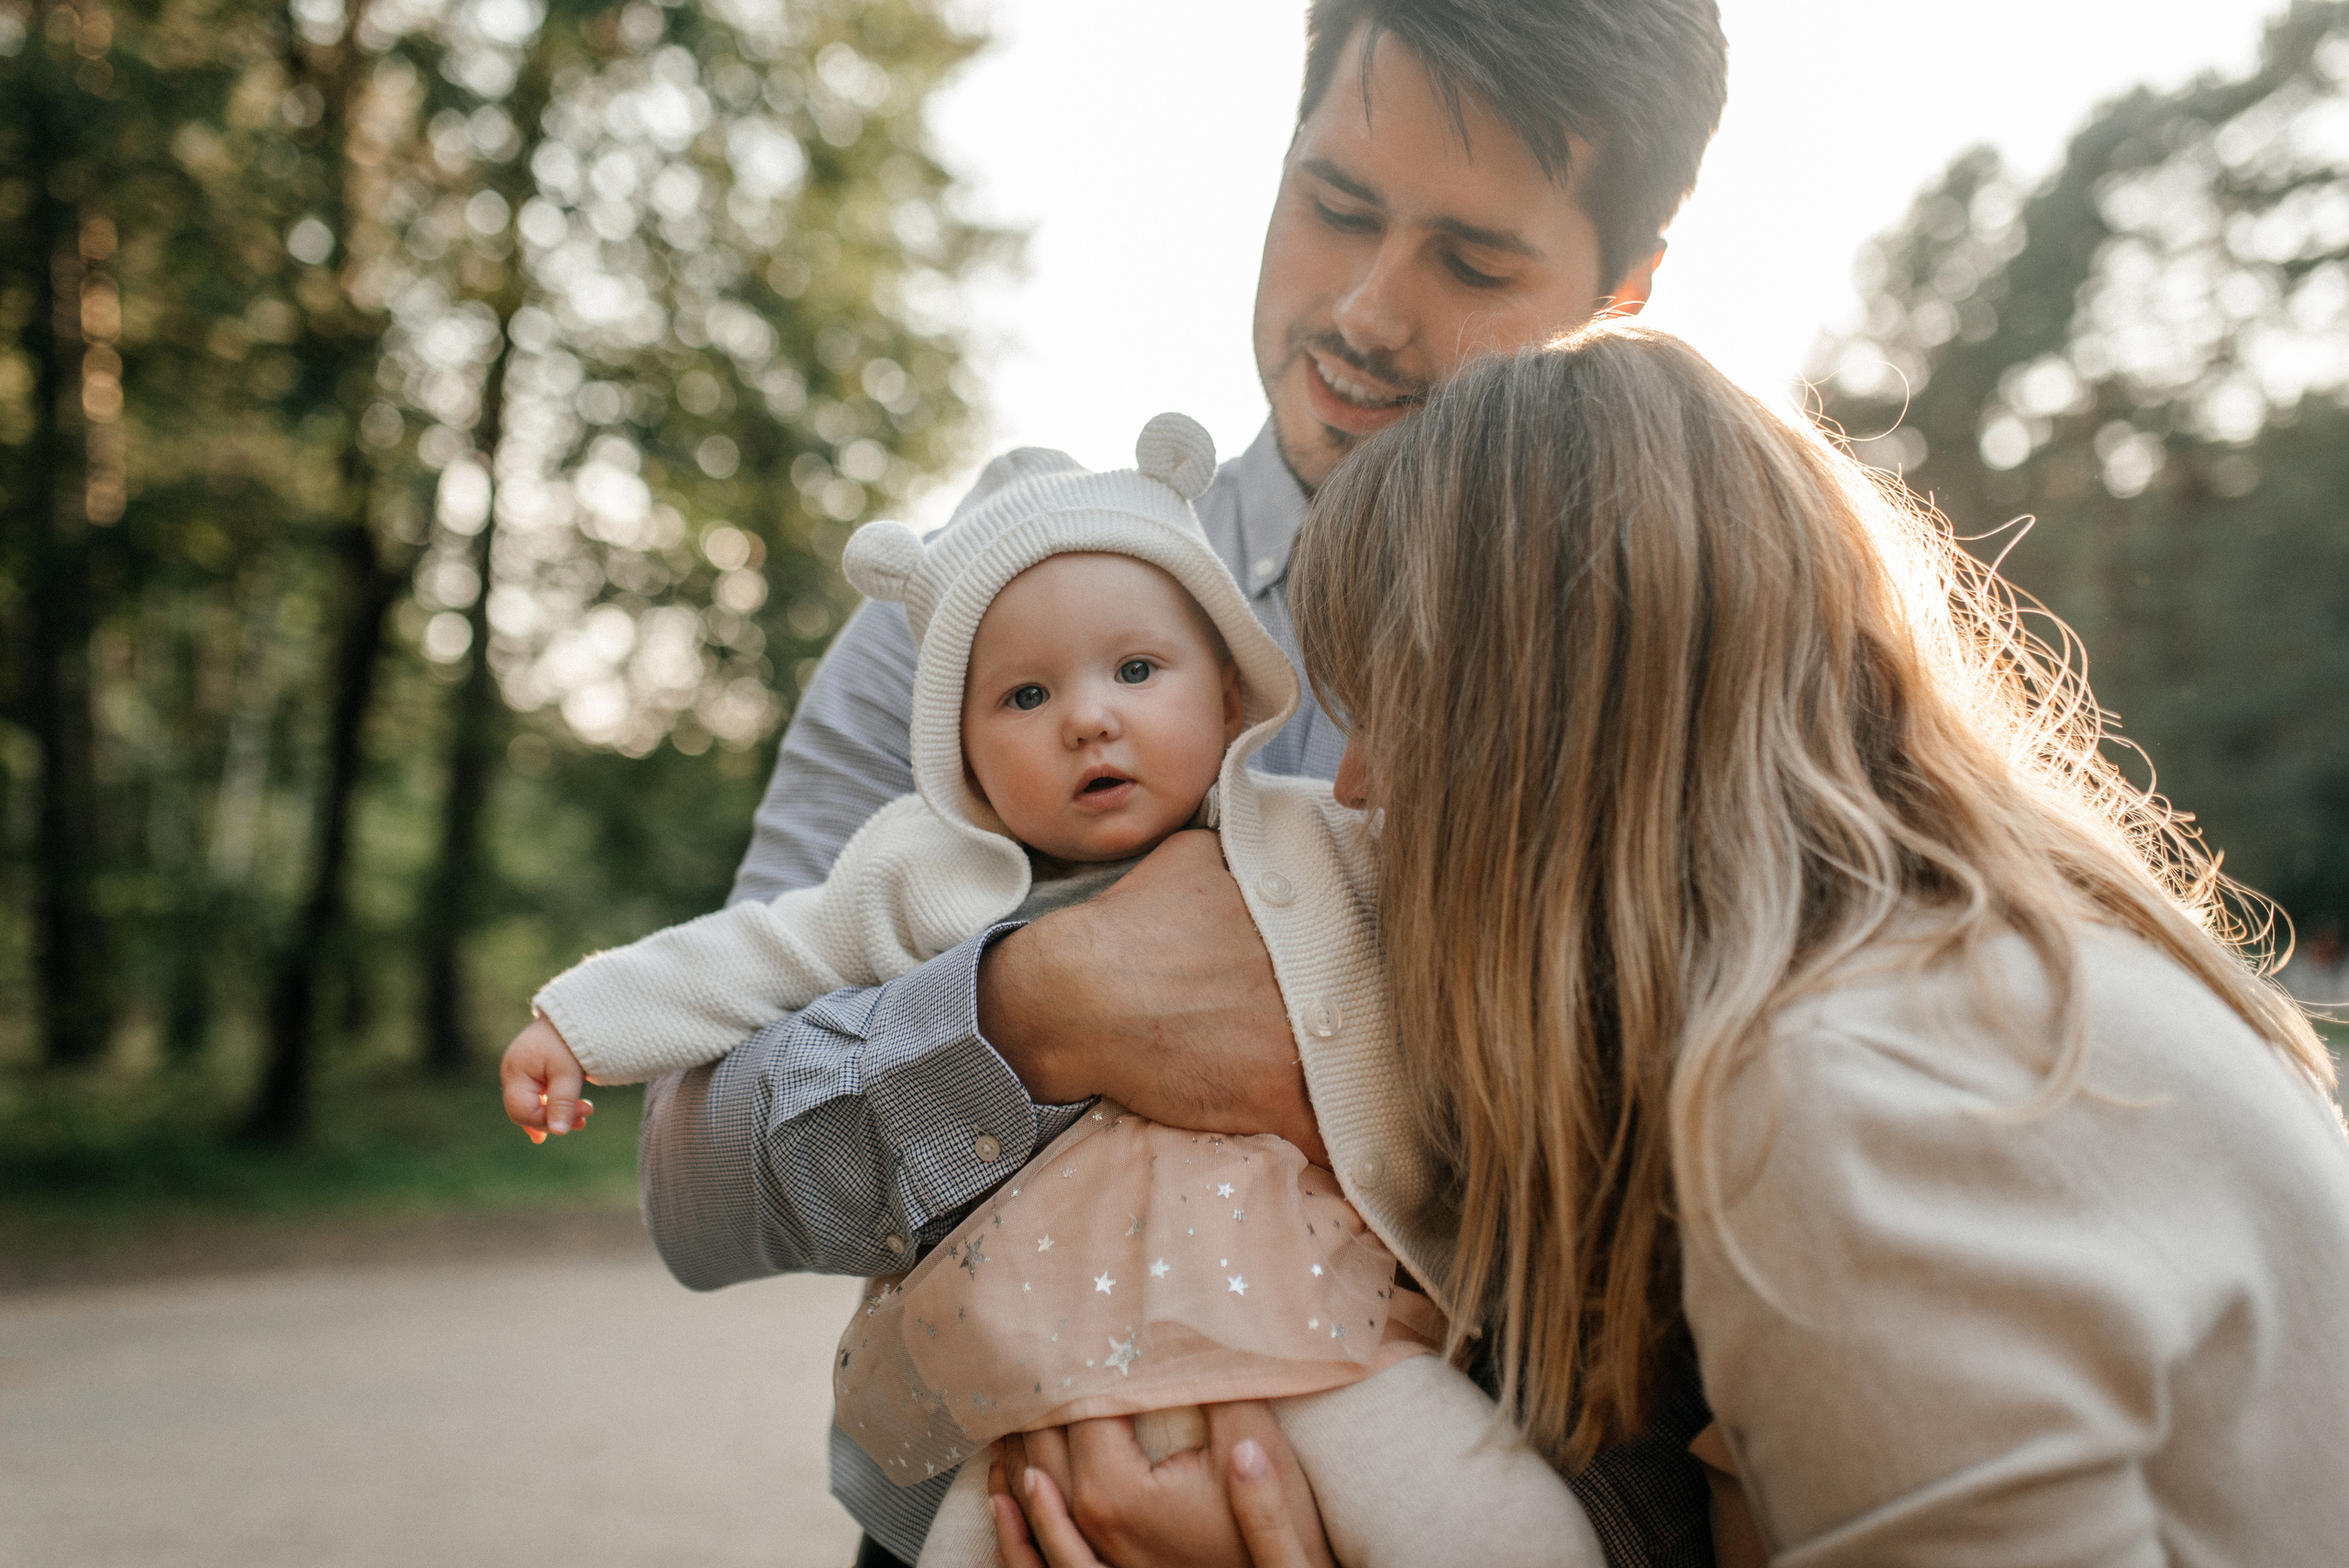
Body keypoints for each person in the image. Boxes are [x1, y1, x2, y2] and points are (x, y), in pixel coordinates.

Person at [628, 4, 1731, 1564]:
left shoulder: (1691, 674)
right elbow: (696, 1173)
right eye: (1334, 203)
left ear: (1625, 286)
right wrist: (1033, 1010)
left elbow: (1731, 1308)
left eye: (1474, 262)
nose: (1364, 311)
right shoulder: (988, 615)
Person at [1053, 325, 2341, 1566]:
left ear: (1543, 736)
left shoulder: (1858, 1102)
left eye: (1389, 713)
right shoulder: (1987, 984)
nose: (1353, 787)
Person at [501, 417, 1599, 1567]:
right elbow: (760, 951)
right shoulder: (924, 875)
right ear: (960, 755)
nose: (1087, 716)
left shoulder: (1319, 833)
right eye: (1025, 695)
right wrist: (580, 1021)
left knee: (1496, 1526)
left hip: (1320, 1325)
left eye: (1136, 670)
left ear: (1231, 695)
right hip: (1030, 1371)